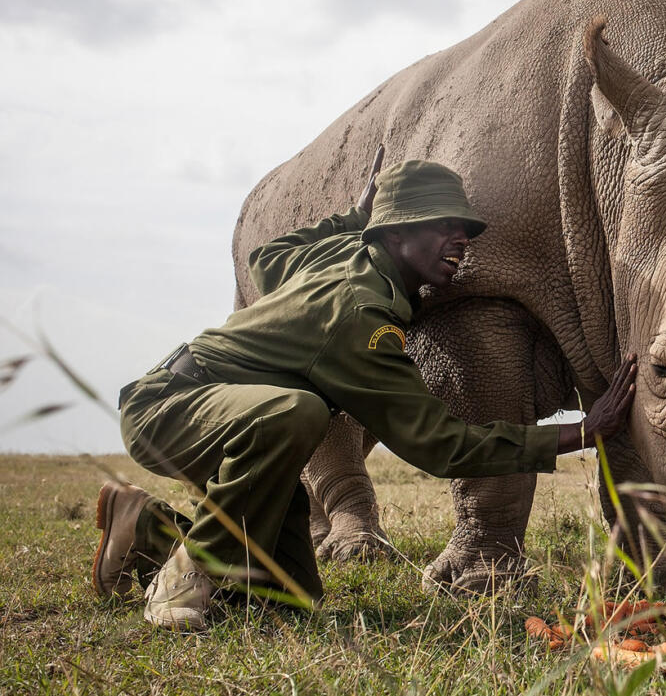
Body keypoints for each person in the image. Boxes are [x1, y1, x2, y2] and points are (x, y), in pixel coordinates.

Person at [93, 149, 637, 631]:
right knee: (298, 412)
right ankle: (185, 579)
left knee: (286, 599)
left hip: (217, 413)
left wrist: (357, 217)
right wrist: (581, 432)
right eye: (442, 225)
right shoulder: (362, 313)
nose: (462, 240)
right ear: (396, 234)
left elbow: (266, 258)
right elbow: (442, 446)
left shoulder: (344, 253)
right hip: (168, 406)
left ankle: (146, 530)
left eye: (465, 228)